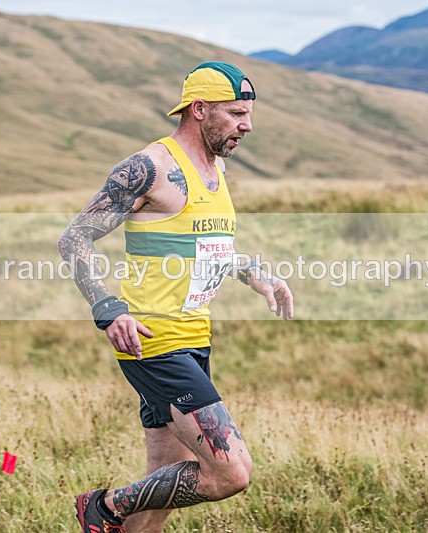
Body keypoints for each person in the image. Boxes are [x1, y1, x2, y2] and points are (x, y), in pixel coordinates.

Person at [58, 61, 294, 533]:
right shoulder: (148, 168)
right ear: (200, 109)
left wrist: (256, 274)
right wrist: (109, 310)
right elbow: (74, 239)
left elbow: (207, 247)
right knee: (230, 471)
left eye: (248, 114)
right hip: (152, 340)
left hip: (194, 337)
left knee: (161, 493)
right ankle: (103, 507)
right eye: (236, 113)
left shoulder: (217, 168)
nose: (247, 125)